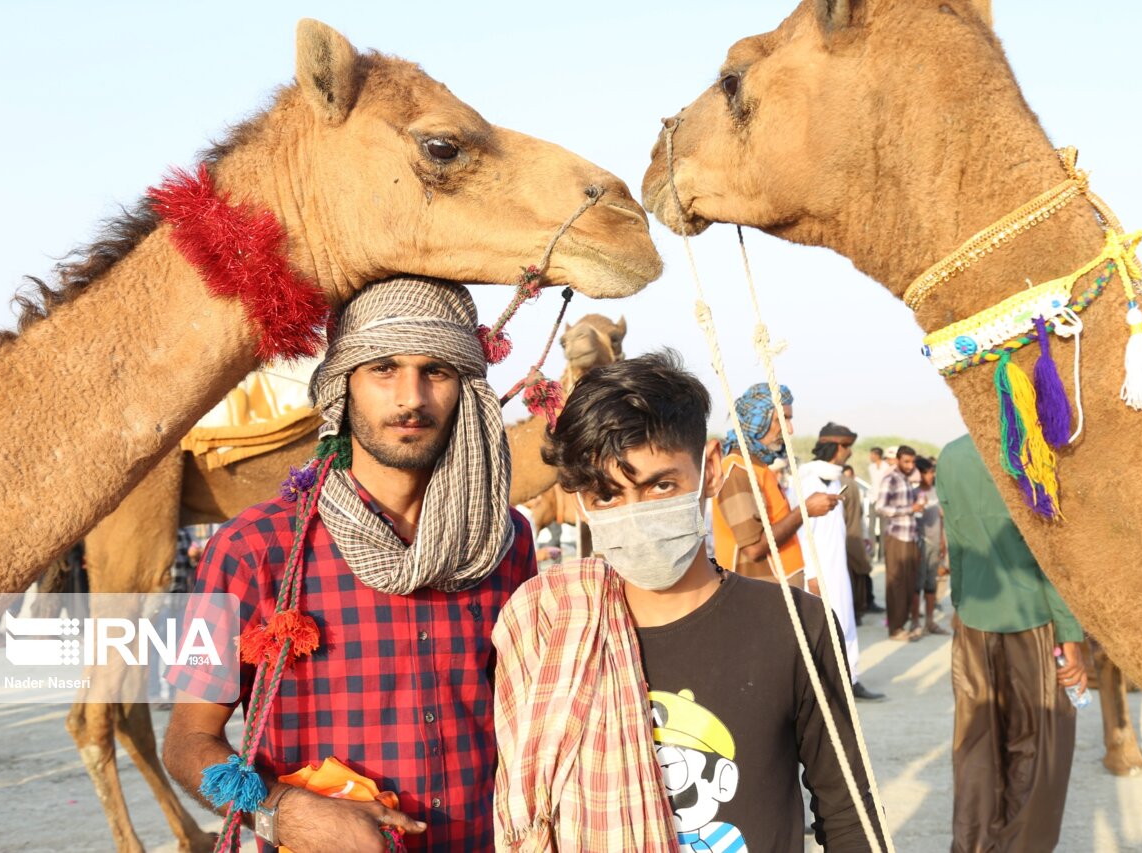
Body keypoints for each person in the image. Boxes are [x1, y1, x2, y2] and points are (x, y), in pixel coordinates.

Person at [162, 278, 538, 851]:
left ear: (466, 389)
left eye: (436, 370)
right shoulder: (250, 548)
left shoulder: (502, 541)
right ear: (344, 387)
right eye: (383, 368)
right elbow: (188, 744)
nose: (411, 397)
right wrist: (283, 815)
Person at [493, 352, 883, 852]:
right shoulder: (548, 624)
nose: (635, 515)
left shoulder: (792, 626)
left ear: (710, 471)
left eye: (661, 485)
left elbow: (849, 813)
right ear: (582, 501)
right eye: (607, 495)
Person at [937, 434, 1086, 852]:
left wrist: (960, 603)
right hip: (1034, 620)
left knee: (975, 748)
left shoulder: (952, 455)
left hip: (974, 619)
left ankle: (974, 845)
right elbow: (1053, 554)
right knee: (1039, 748)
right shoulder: (1032, 451)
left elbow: (957, 541)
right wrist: (1070, 634)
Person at [712, 383, 834, 587]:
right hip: (758, 597)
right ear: (758, 421)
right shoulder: (737, 470)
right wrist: (804, 511)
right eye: (782, 419)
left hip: (775, 593)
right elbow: (754, 548)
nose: (790, 429)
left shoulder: (756, 467)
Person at [798, 423, 885, 702]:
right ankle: (826, 690)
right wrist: (811, 574)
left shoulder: (835, 480)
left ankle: (851, 679)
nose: (849, 453)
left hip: (838, 568)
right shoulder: (807, 480)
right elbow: (801, 532)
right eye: (847, 447)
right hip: (818, 571)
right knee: (822, 630)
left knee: (846, 623)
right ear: (837, 447)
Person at [875, 445, 924, 641]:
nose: (910, 465)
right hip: (897, 537)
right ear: (897, 460)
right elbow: (881, 507)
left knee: (908, 583)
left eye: (912, 462)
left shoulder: (906, 479)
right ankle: (895, 628)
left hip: (910, 537)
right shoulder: (891, 478)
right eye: (906, 461)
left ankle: (902, 625)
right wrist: (909, 508)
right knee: (896, 583)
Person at [839, 465, 881, 621]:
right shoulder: (843, 489)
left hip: (854, 539)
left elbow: (859, 519)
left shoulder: (853, 489)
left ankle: (861, 608)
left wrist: (864, 538)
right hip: (845, 541)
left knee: (861, 573)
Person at [913, 457, 949, 636]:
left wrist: (943, 541)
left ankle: (930, 622)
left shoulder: (937, 492)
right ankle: (915, 623)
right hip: (920, 543)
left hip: (936, 543)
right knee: (916, 584)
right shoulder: (913, 493)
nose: (930, 475)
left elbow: (941, 518)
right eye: (926, 472)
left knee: (931, 584)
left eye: (931, 472)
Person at [864, 447, 889, 557]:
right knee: (871, 528)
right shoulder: (871, 467)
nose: (870, 457)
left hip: (884, 501)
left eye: (872, 454)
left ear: (877, 455)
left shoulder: (886, 467)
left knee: (884, 530)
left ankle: (882, 554)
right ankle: (872, 553)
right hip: (873, 499)